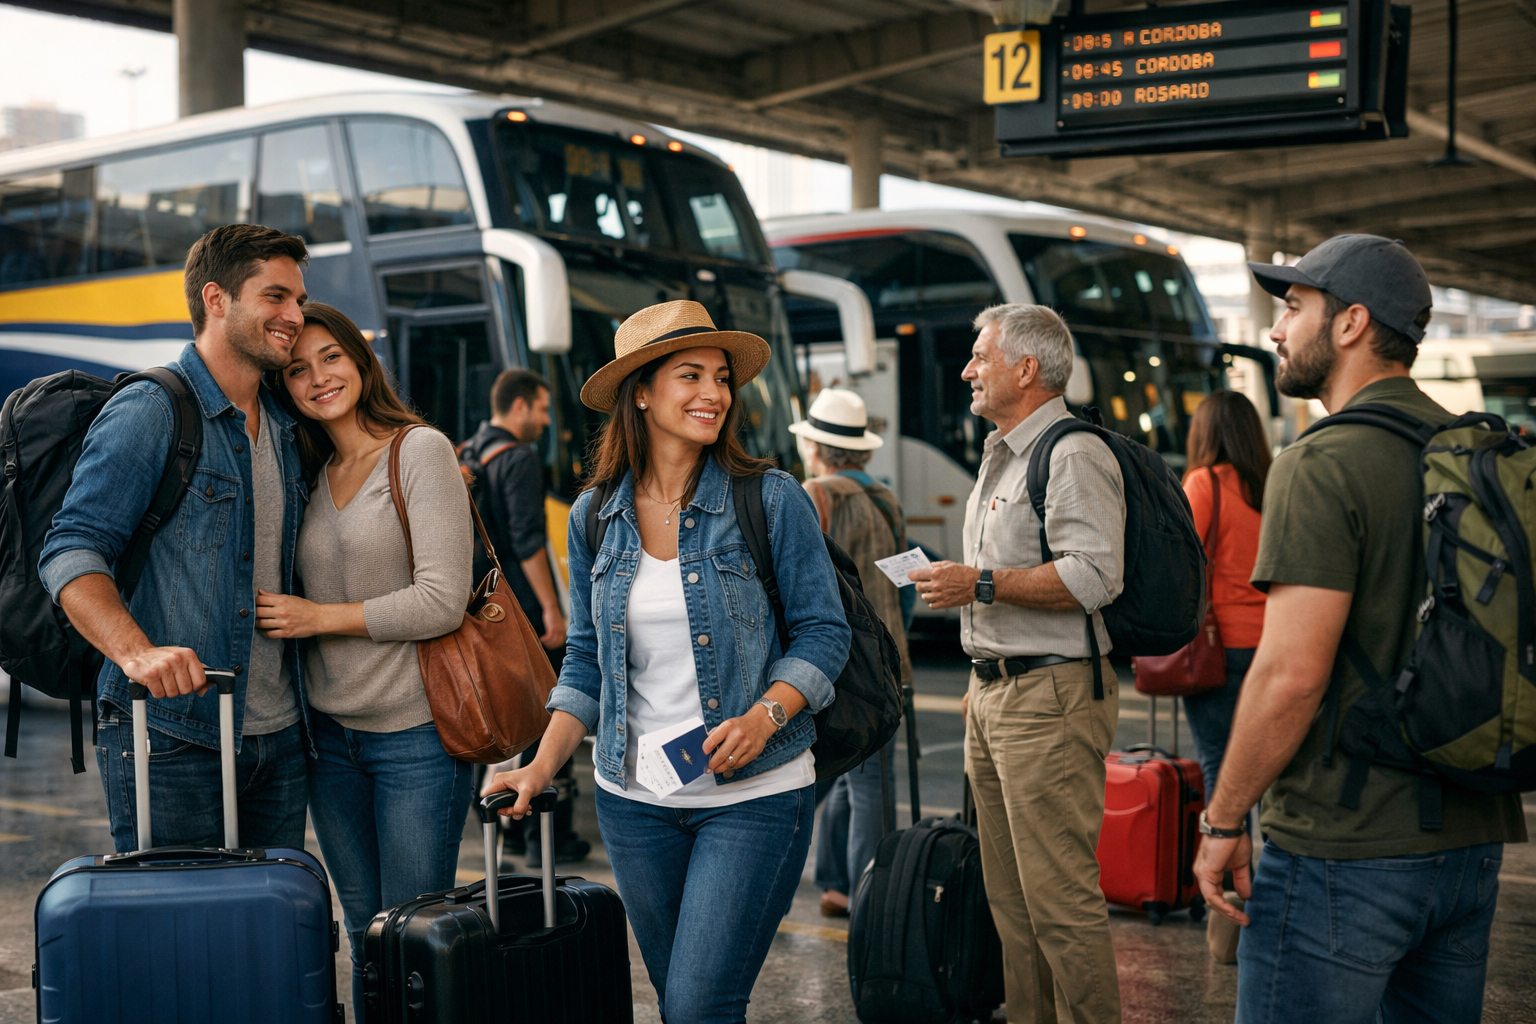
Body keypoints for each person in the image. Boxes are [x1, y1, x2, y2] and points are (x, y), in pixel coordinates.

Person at [486, 300, 851, 1024]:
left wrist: (765, 713)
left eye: (721, 378)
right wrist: (539, 764)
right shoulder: (595, 516)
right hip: (635, 805)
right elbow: (586, 662)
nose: (713, 393)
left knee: (696, 1006)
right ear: (642, 393)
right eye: (690, 375)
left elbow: (823, 633)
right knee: (682, 1001)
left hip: (756, 796)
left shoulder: (770, 499)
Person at [1192, 235, 1526, 1024]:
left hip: (1347, 849)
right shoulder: (1480, 453)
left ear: (1351, 324)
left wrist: (1224, 820)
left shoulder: (1322, 461)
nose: (1277, 330)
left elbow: (1289, 675)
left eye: (1294, 308)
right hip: (1473, 838)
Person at [40, 224, 313, 853]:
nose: (295, 316)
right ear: (216, 300)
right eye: (275, 297)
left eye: (298, 300)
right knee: (181, 942)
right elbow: (71, 549)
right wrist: (136, 653)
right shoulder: (153, 407)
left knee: (266, 939)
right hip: (170, 736)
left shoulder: (282, 422)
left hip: (280, 736)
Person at [255, 302, 475, 1020]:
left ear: (362, 360)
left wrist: (320, 619)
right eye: (297, 369)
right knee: (365, 936)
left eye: (331, 358)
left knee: (413, 933)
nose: (318, 377)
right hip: (329, 743)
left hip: (415, 737)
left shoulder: (419, 450)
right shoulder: (312, 472)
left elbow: (442, 601)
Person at [911, 303, 1124, 1024]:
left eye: (981, 356)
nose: (968, 369)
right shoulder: (1003, 452)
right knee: (1011, 904)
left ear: (1026, 369)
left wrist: (980, 585)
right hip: (999, 692)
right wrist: (980, 670)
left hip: (1051, 698)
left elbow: (1095, 576)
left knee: (1059, 902)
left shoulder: (1072, 454)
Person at [789, 388, 913, 918]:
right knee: (862, 773)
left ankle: (866, 894)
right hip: (887, 661)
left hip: (837, 665)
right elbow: (906, 585)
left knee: (853, 782)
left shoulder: (813, 493)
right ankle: (840, 881)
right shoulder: (886, 497)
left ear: (816, 448)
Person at [463, 369, 588, 866]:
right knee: (544, 713)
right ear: (518, 407)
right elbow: (528, 539)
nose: (544, 419)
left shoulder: (470, 451)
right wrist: (554, 610)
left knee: (501, 713)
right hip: (523, 610)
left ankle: (506, 825)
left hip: (484, 606)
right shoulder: (517, 458)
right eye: (540, 408)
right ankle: (545, 837)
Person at [1180, 389, 1270, 801]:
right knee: (1267, 768)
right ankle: (1266, 866)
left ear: (1205, 433)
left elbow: (1179, 561)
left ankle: (1230, 867)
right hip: (1272, 645)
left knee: (1219, 763)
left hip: (1220, 646)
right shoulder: (1272, 487)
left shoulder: (1203, 483)